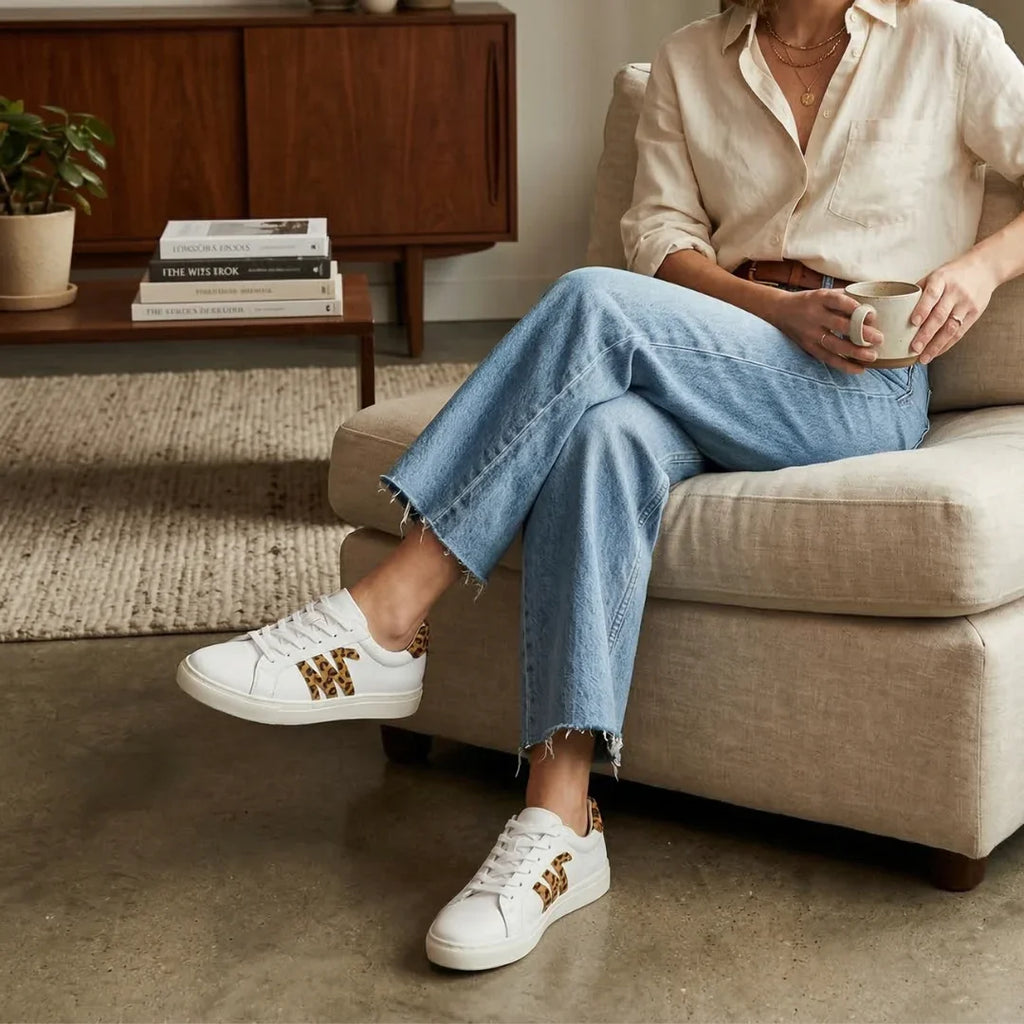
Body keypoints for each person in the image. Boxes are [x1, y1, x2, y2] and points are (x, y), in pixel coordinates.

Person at [177, 0, 1024, 972]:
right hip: (729, 342)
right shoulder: (687, 61)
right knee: (603, 436)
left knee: (586, 301)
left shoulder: (945, 39)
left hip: (864, 381)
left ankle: (391, 611)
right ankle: (559, 820)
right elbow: (657, 237)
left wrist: (979, 267)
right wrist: (770, 308)